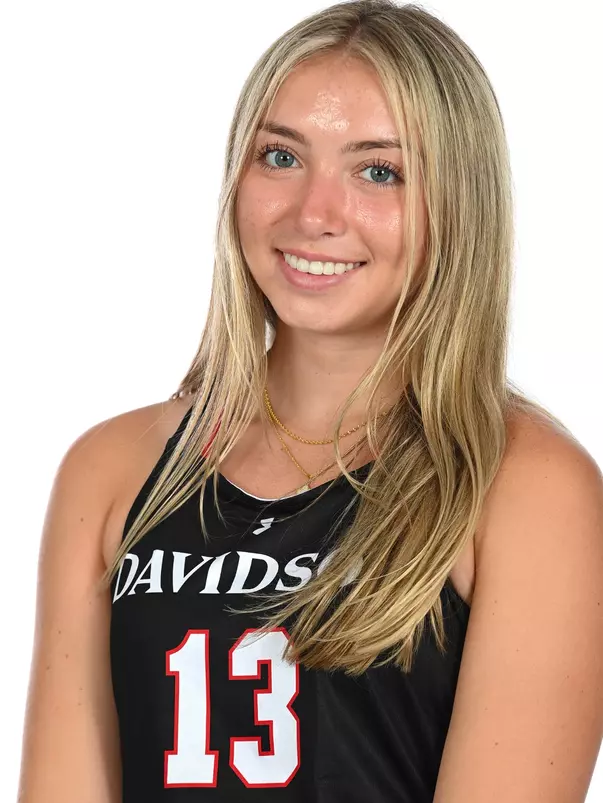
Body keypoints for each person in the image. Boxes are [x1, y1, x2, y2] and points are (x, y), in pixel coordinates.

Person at [17, 1, 603, 801]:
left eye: (378, 171)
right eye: (280, 157)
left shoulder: (526, 486)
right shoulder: (112, 468)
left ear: (459, 203)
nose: (313, 214)